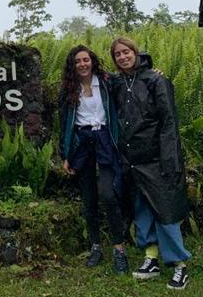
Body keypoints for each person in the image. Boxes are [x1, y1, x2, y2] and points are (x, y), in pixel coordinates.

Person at [110, 37, 191, 290]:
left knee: (165, 211)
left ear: (136, 52)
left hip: (157, 158)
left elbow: (168, 122)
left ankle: (179, 265)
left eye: (126, 52)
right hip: (132, 160)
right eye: (118, 55)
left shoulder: (156, 80)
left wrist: (169, 158)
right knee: (142, 210)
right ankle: (151, 259)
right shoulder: (117, 83)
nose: (123, 57)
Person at [58, 45, 129, 274]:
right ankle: (95, 246)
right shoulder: (69, 90)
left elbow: (132, 78)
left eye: (85, 60)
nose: (82, 64)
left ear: (92, 61)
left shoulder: (108, 83)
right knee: (89, 199)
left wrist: (151, 70)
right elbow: (64, 125)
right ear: (73, 65)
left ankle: (119, 249)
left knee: (108, 194)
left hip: (105, 139)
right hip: (82, 142)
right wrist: (66, 154)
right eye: (77, 61)